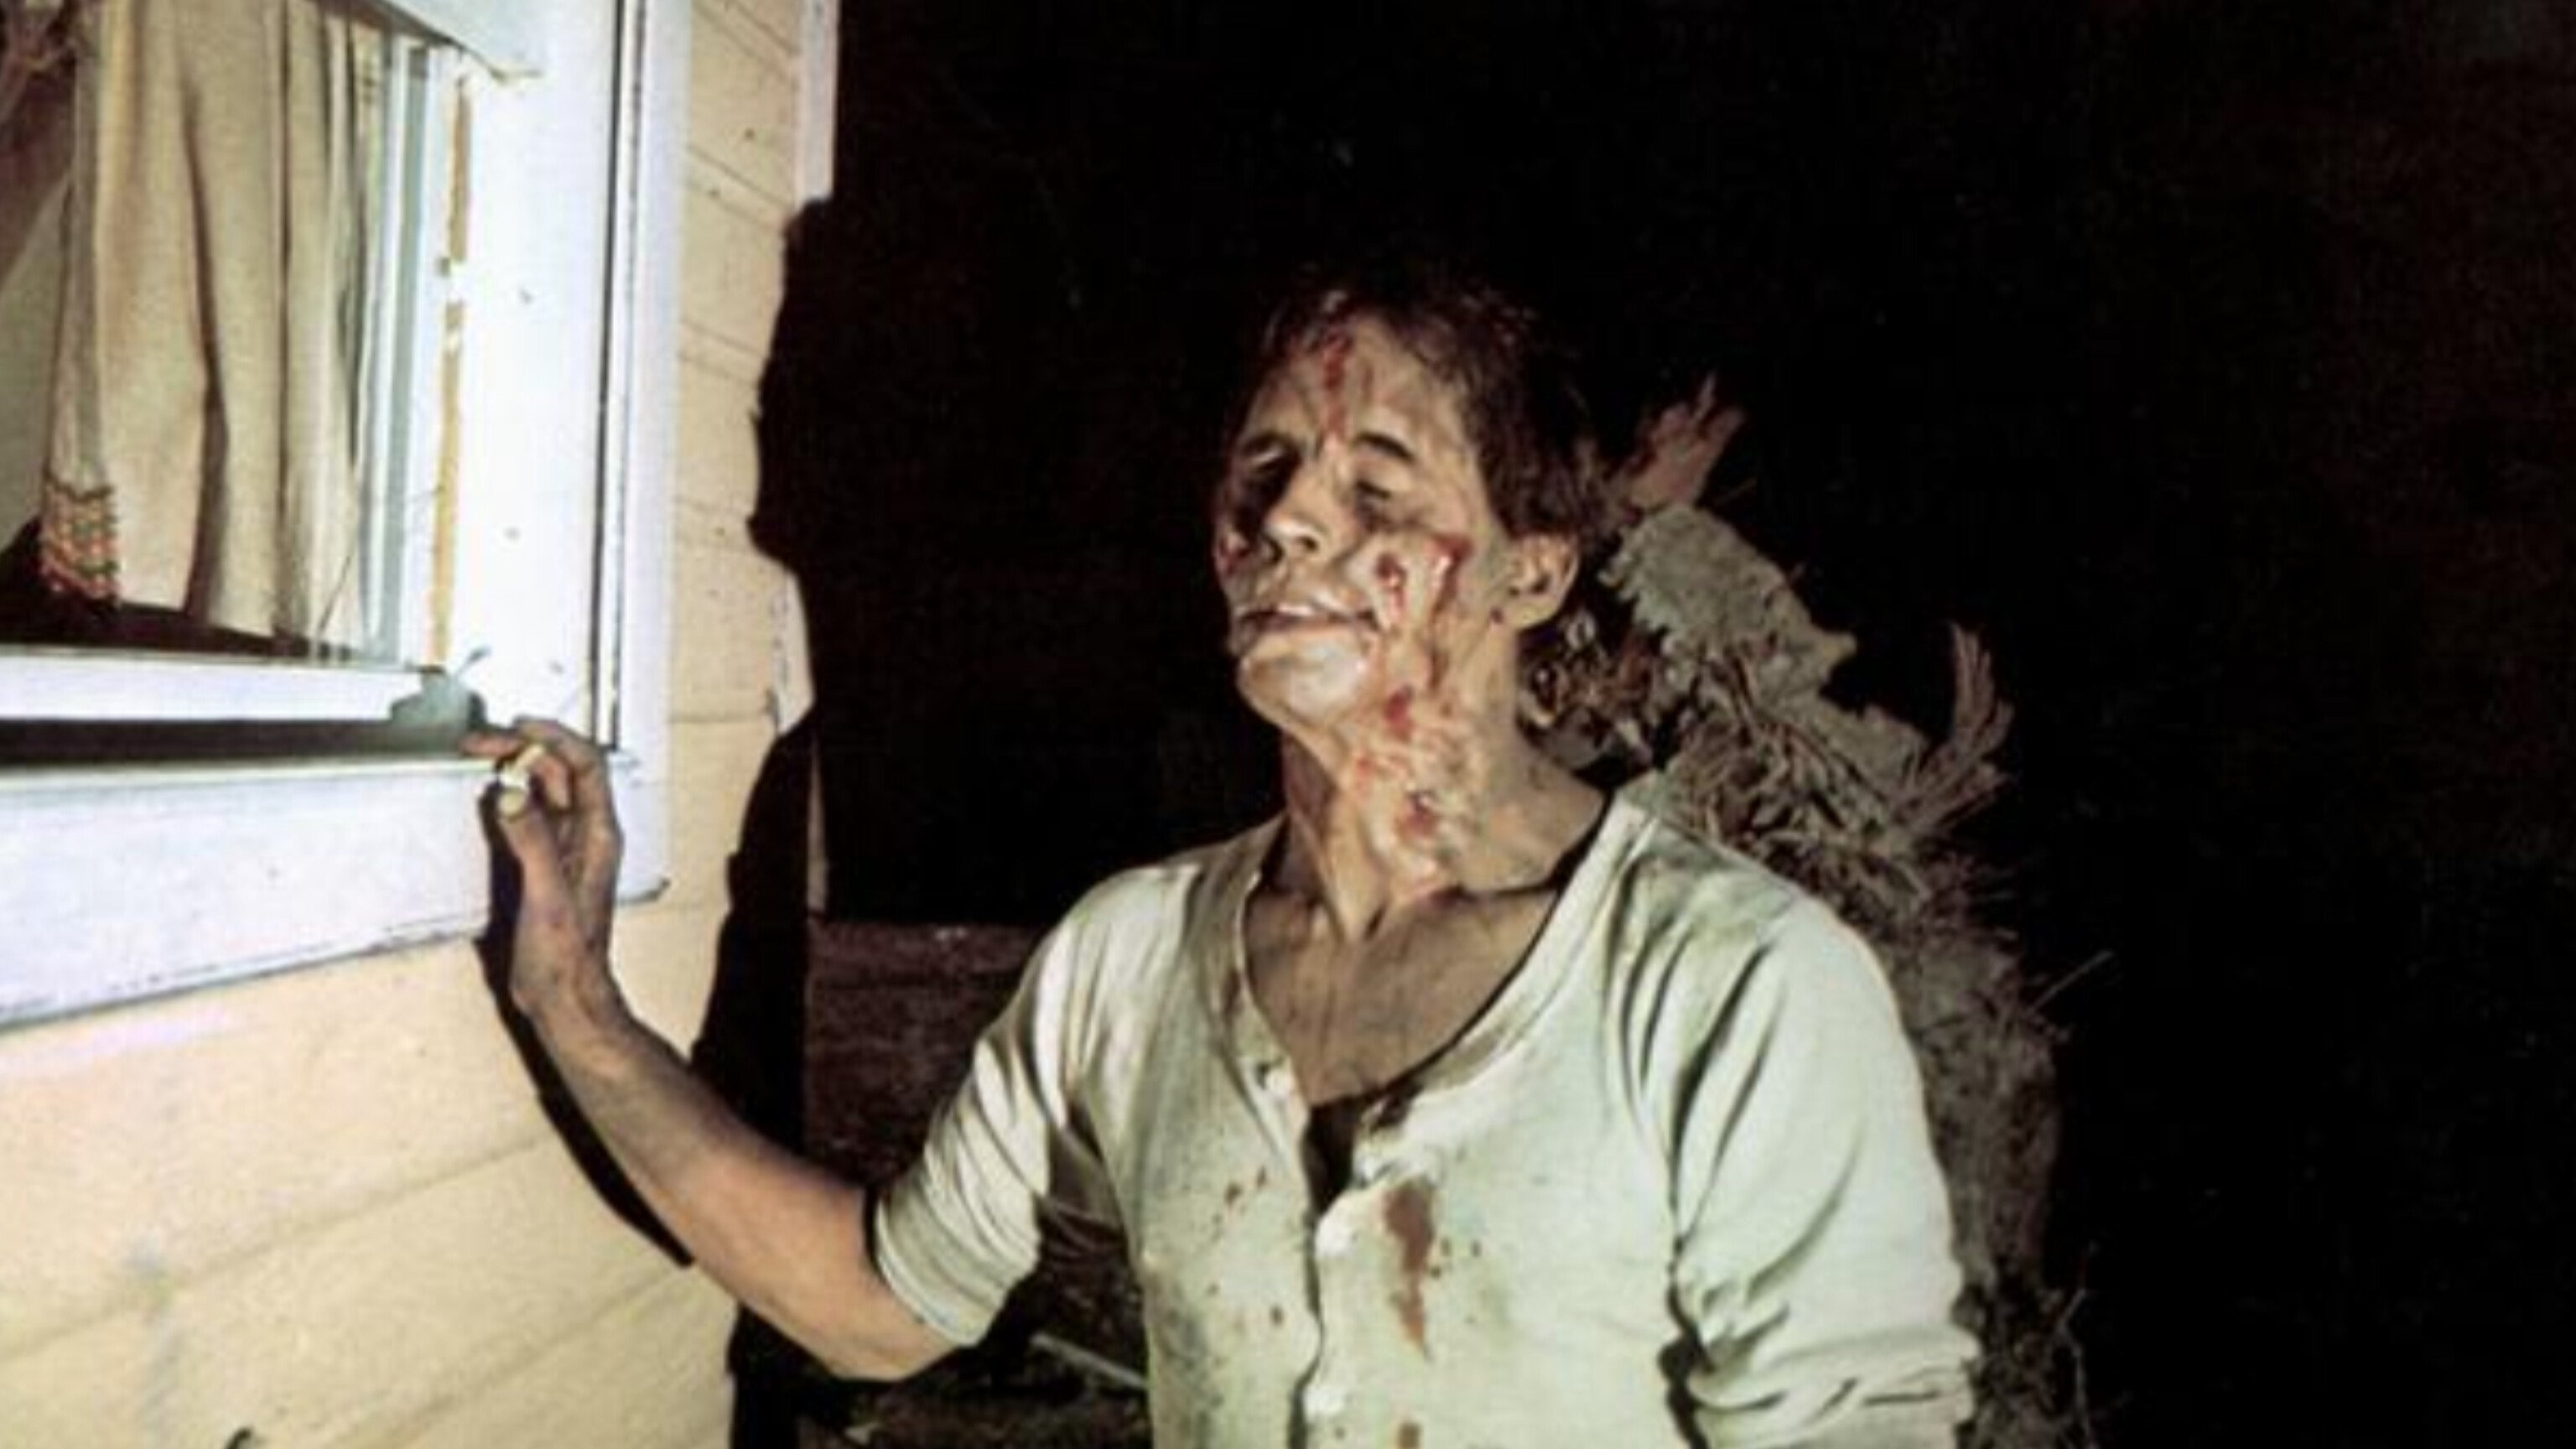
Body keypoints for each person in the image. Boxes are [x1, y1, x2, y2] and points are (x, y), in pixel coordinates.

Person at [468, 259, 1977, 1447]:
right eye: (1262, 475)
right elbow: (876, 1305)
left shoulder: (1733, 984)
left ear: (1531, 571)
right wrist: (573, 1006)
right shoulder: (1128, 958)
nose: (1288, 519)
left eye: (1377, 484)